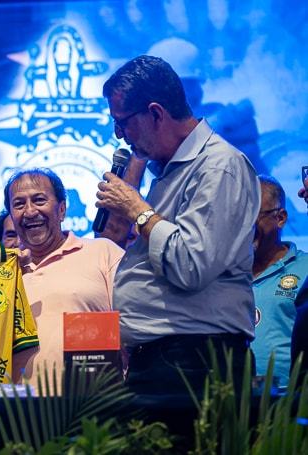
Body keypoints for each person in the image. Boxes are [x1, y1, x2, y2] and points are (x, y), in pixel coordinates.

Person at [96, 55, 261, 398]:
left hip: (194, 362)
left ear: (156, 113)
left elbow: (190, 265)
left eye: (123, 123)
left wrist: (137, 209)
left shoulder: (218, 166)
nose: (120, 136)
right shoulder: (170, 171)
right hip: (167, 359)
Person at [4, 168, 124, 381]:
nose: (30, 211)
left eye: (39, 200)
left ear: (61, 209)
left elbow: (137, 326)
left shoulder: (103, 252)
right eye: (19, 204)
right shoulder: (0, 273)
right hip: (18, 401)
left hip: (92, 398)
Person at [251, 175, 308, 386]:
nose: (245, 226)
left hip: (292, 400)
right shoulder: (223, 273)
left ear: (281, 218)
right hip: (233, 399)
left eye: (253, 215)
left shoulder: (306, 269)